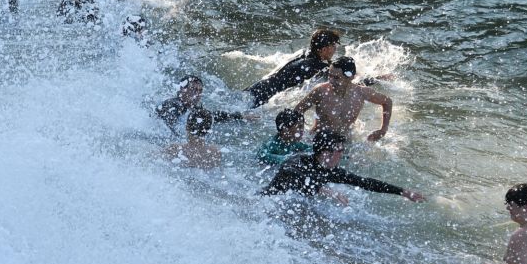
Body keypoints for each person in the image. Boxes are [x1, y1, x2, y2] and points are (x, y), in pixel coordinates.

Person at [266, 127, 424, 205]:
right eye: (339, 150)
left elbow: (364, 182)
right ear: (325, 152)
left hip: (289, 205)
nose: (342, 154)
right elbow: (291, 172)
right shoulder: (298, 161)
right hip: (267, 204)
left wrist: (402, 191)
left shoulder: (331, 171)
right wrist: (323, 189)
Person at [291, 55, 392, 144]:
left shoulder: (361, 93)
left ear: (351, 77)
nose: (331, 81)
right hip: (319, 141)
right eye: (330, 75)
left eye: (336, 78)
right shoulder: (320, 91)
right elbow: (297, 111)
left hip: (345, 142)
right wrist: (298, 133)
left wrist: (383, 130)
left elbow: (387, 102)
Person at [247, 26, 340, 107]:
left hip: (256, 88)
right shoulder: (317, 67)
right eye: (334, 46)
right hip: (261, 99)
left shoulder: (303, 53)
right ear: (323, 50)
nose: (335, 49)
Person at [156, 74, 247, 134]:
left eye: (200, 91)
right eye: (194, 90)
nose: (197, 94)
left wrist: (239, 116)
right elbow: (170, 131)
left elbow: (212, 116)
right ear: (182, 90)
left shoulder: (191, 107)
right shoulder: (173, 106)